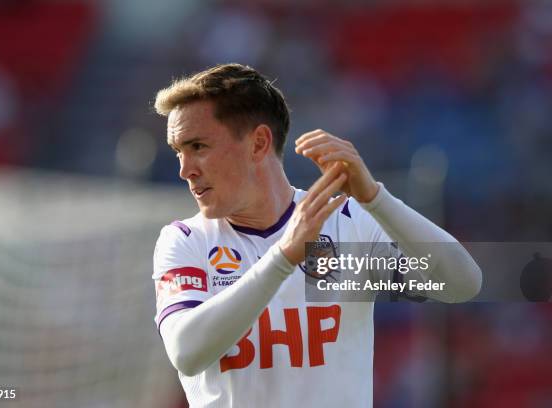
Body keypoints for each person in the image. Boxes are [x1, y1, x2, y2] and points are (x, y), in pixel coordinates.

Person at [152, 63, 481, 407]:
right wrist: (283, 258)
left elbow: (462, 284)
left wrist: (375, 198)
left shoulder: (347, 221)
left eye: (198, 147)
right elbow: (186, 352)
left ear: (258, 143)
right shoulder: (186, 240)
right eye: (179, 151)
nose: (184, 169)